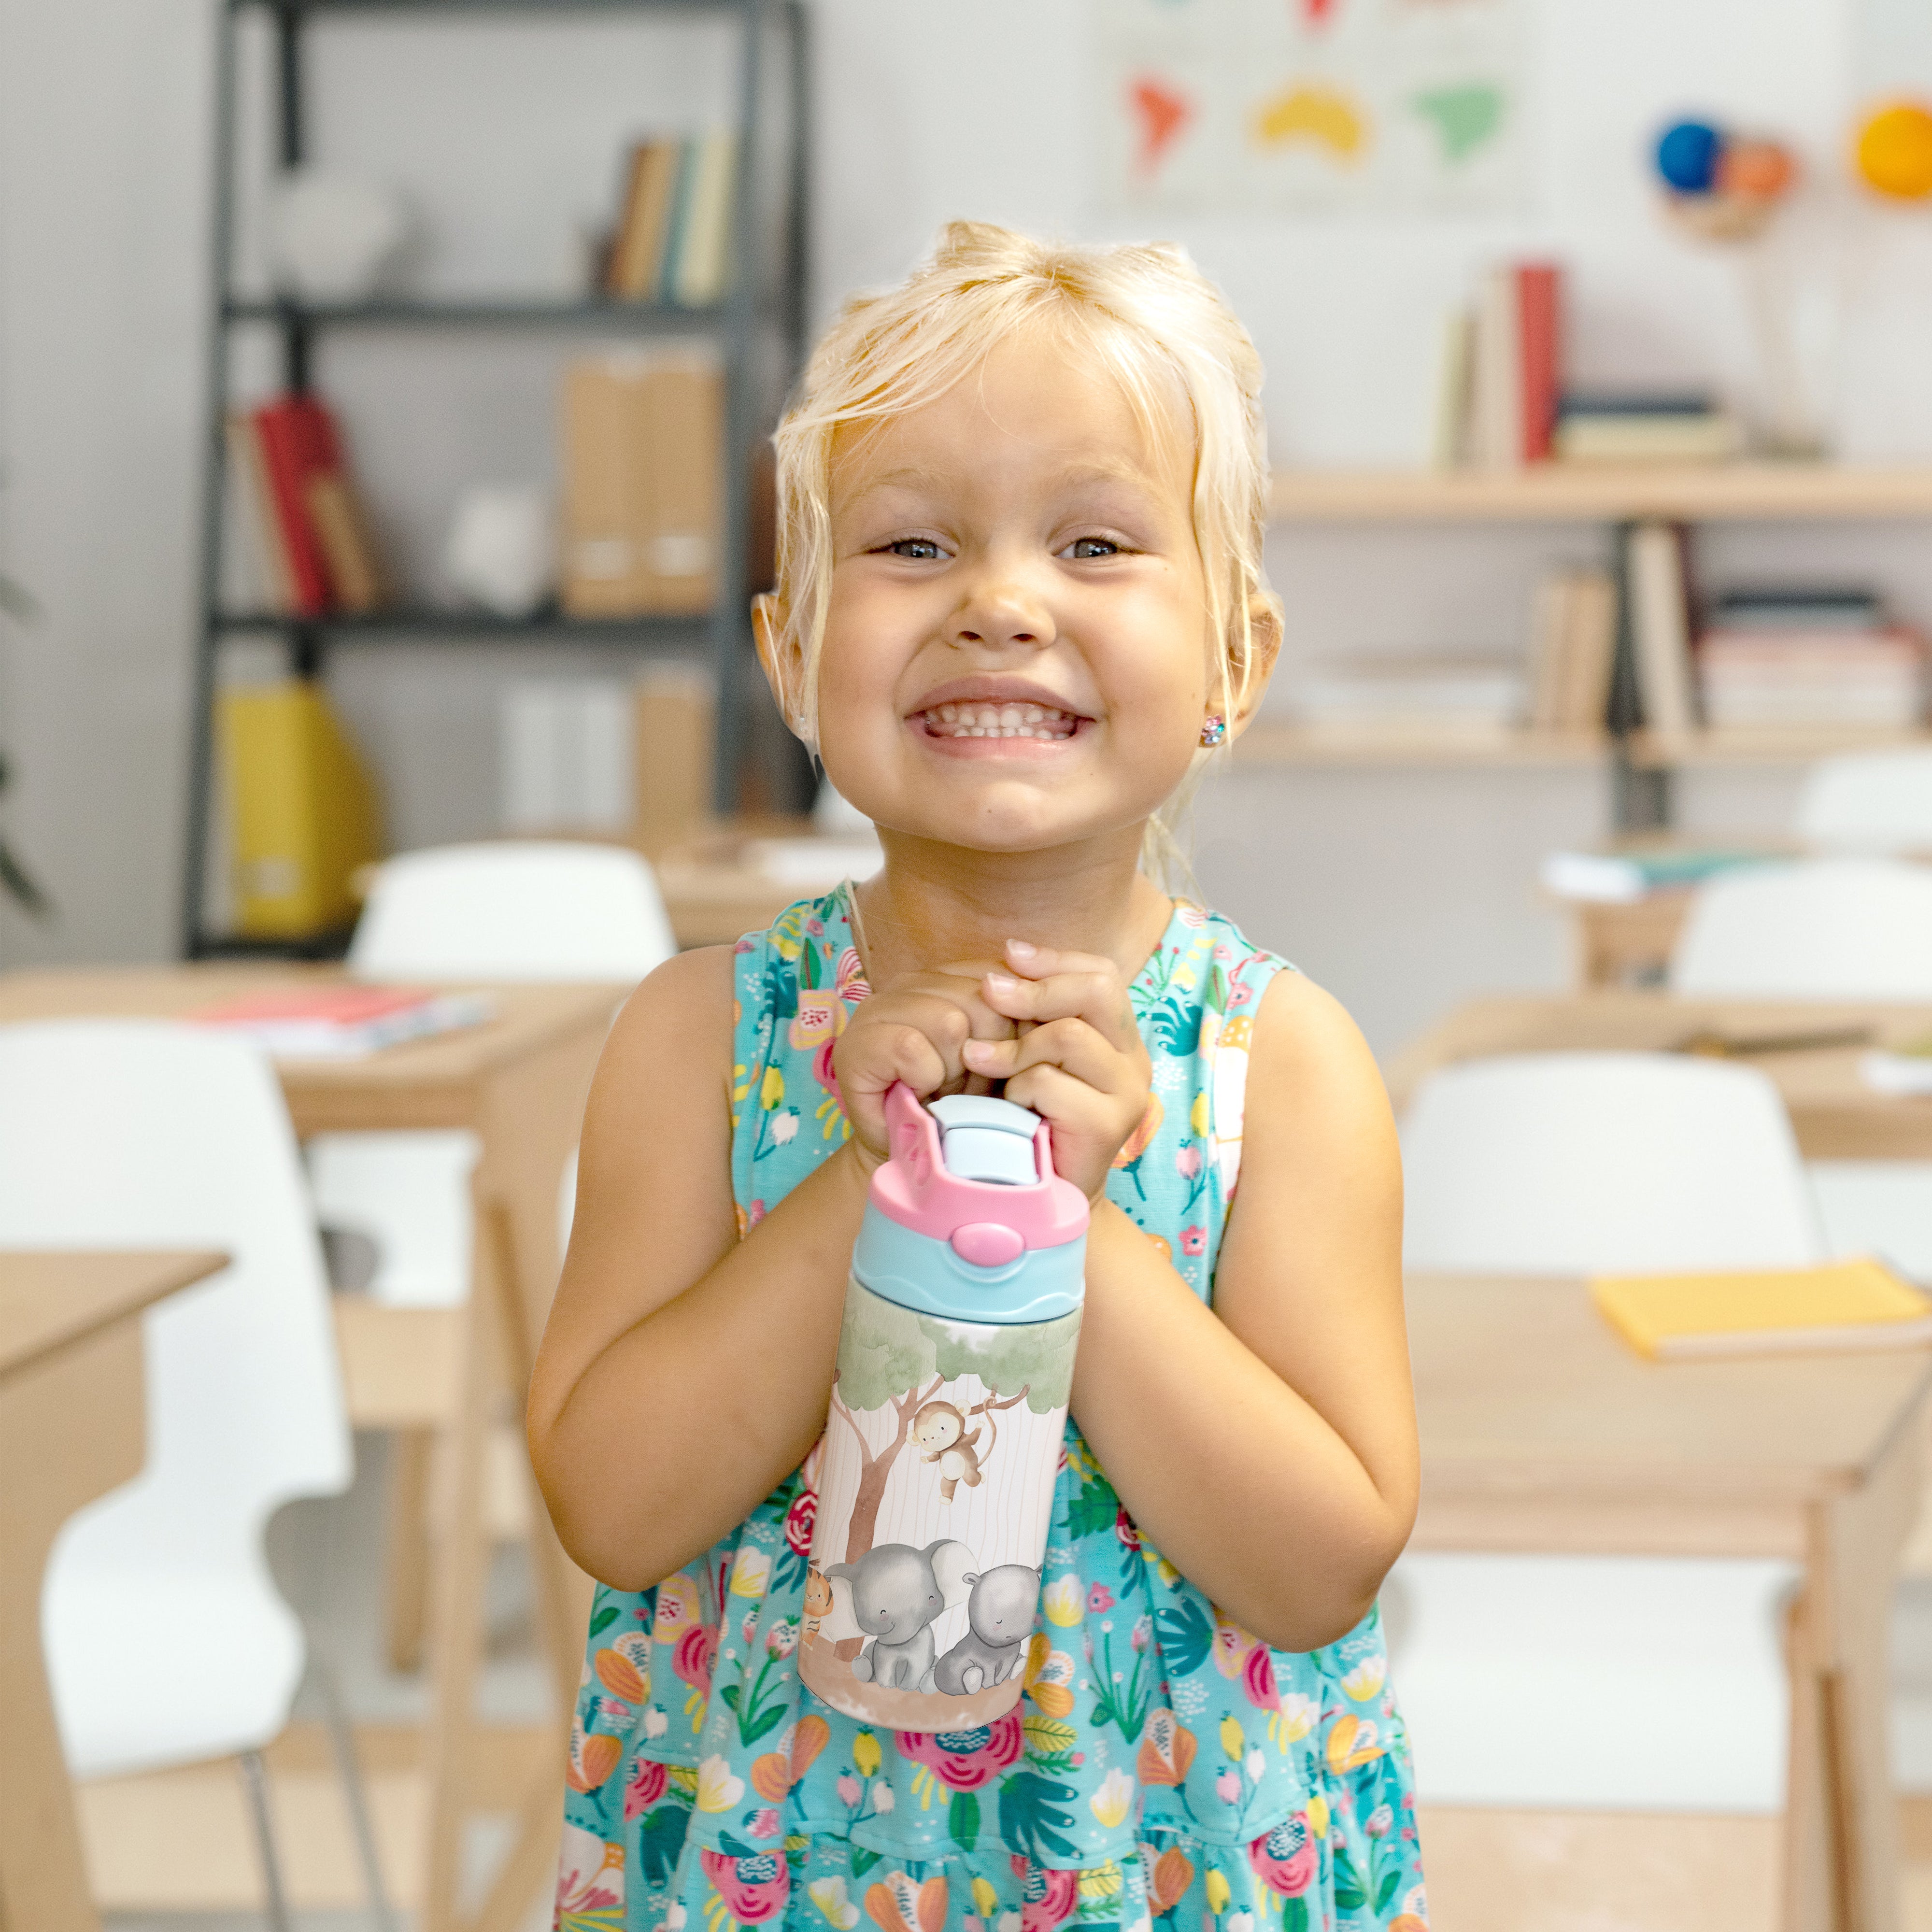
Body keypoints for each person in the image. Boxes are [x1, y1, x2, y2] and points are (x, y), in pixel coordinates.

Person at [528, 223, 1424, 1932]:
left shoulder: (1280, 1065)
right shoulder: (697, 1038)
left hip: (1173, 1879)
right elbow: (614, 1508)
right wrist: (874, 1189)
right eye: (914, 544)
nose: (1001, 602)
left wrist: (1075, 1227)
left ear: (1236, 655)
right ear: (793, 656)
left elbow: (1317, 1566)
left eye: (1094, 542)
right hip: (768, 1880)